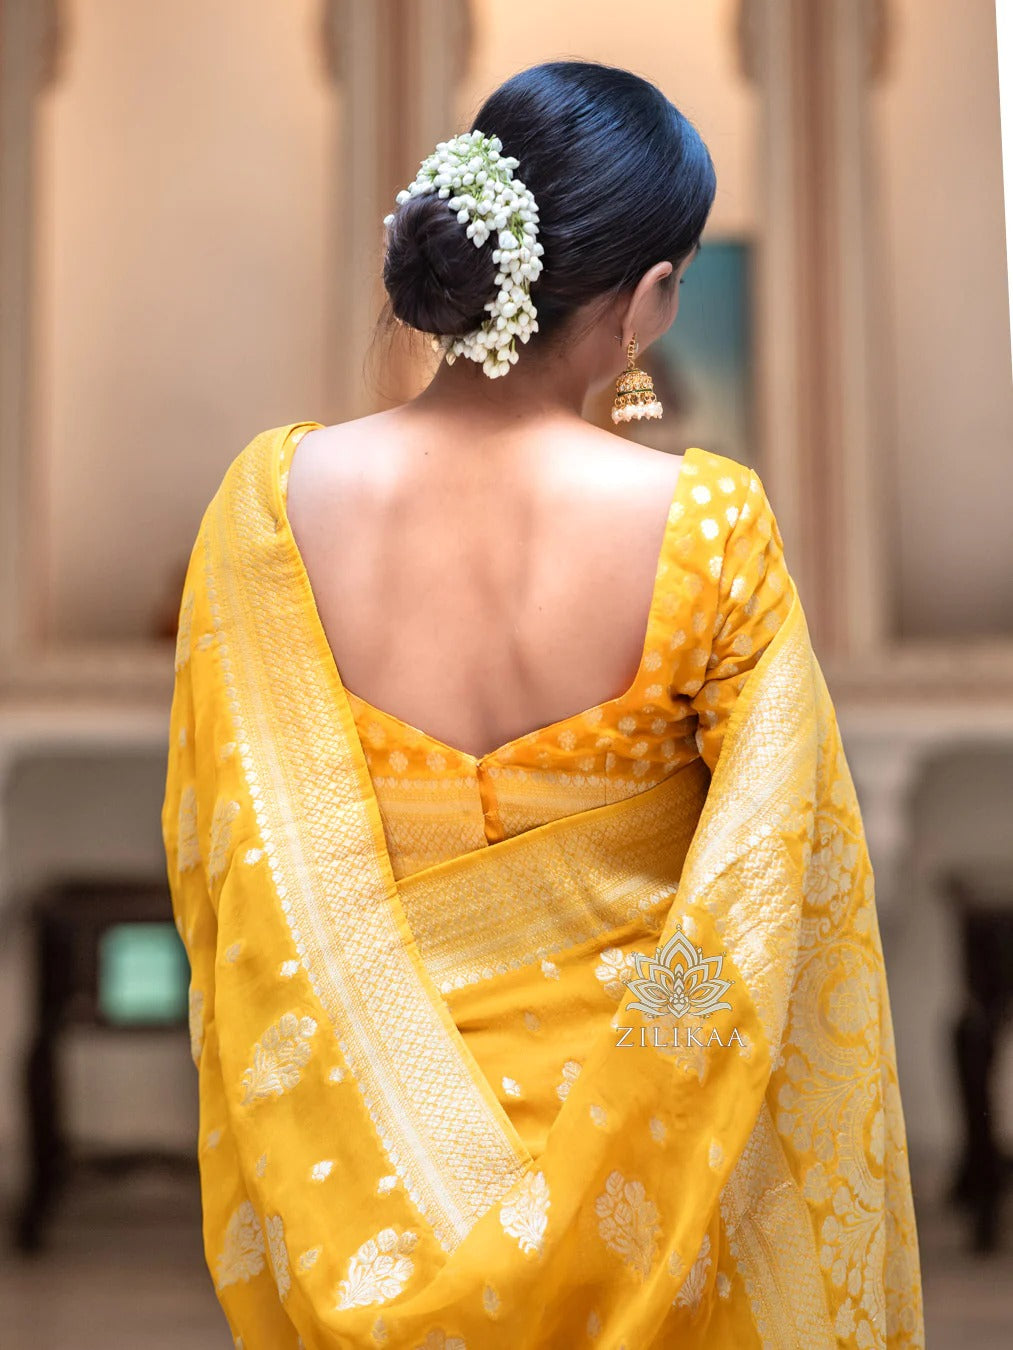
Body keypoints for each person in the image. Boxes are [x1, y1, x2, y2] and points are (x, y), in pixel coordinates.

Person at [161, 59, 924, 1350]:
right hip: (648, 1155)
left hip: (362, 1158)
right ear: (644, 298)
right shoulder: (704, 524)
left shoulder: (269, 504)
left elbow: (231, 866)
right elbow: (766, 878)